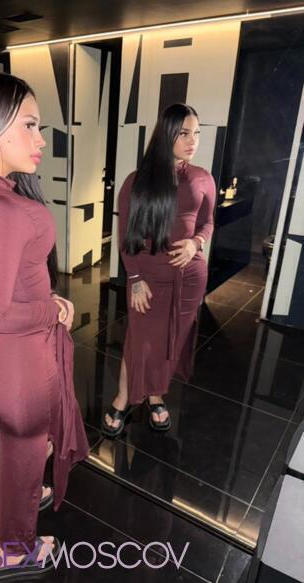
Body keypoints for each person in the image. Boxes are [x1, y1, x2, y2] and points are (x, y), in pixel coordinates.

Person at [0, 71, 89, 580]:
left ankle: (26, 492)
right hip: (16, 367)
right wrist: (51, 309)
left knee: (20, 451)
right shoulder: (5, 208)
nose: (41, 139)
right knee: (26, 449)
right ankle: (12, 551)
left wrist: (41, 295)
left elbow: (1, 281)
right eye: (30, 125)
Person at [103, 103, 216, 436]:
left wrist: (196, 243)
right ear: (167, 134)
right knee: (140, 341)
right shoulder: (136, 181)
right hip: (148, 277)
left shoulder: (203, 178)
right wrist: (135, 278)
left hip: (190, 277)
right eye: (184, 133)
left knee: (171, 341)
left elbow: (208, 222)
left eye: (197, 133)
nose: (192, 141)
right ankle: (124, 397)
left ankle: (155, 395)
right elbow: (126, 236)